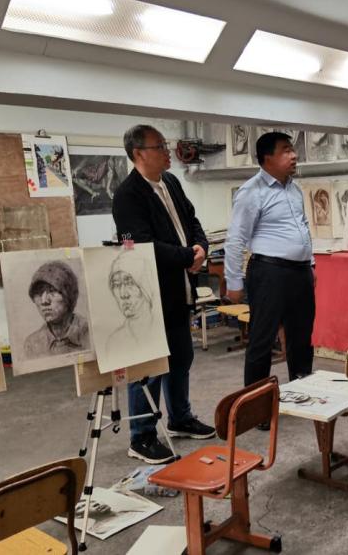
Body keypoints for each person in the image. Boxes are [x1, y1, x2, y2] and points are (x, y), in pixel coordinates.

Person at [113, 124, 214, 465]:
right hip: (151, 295)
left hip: (180, 288)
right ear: (139, 153)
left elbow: (191, 220)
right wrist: (188, 256)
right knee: (149, 367)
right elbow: (140, 245)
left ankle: (180, 418)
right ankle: (141, 437)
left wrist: (201, 247)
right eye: (160, 146)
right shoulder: (128, 195)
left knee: (181, 358)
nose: (167, 151)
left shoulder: (170, 182)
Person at [225, 131, 315, 404]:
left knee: (301, 338)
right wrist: (234, 282)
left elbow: (303, 227)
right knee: (262, 341)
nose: (294, 155)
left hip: (300, 273)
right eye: (286, 150)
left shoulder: (294, 189)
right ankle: (256, 407)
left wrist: (310, 264)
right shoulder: (251, 192)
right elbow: (235, 239)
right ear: (267, 158)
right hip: (269, 273)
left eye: (293, 150)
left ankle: (302, 393)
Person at [24, 261, 91, 358]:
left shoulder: (90, 334)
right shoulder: (32, 344)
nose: (44, 301)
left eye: (52, 290)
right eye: (39, 293)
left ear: (68, 296)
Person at [105, 251, 155, 352]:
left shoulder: (160, 330)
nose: (123, 294)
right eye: (117, 285)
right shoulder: (114, 343)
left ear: (145, 286)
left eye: (129, 283)